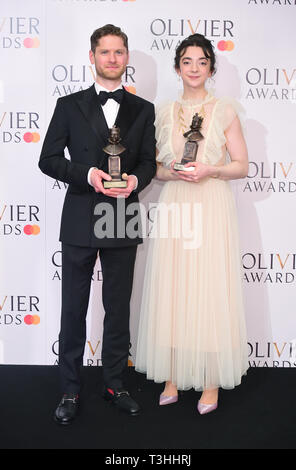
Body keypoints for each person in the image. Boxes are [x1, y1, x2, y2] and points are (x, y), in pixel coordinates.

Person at [39, 24, 156, 424]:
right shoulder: (68, 105)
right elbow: (48, 159)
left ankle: (114, 383)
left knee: (117, 308)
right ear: (92, 57)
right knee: (72, 309)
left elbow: (146, 162)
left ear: (127, 57)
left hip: (122, 216)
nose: (112, 59)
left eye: (119, 52)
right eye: (104, 52)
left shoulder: (144, 109)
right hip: (80, 217)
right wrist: (87, 174)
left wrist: (137, 181)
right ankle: (69, 391)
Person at [135, 34, 249, 415]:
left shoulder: (225, 110)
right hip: (176, 203)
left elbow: (241, 165)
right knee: (175, 286)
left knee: (208, 286)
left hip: (211, 203)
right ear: (177, 67)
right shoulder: (163, 112)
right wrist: (174, 173)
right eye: (188, 61)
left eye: (202, 62)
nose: (195, 68)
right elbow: (154, 167)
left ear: (211, 68)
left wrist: (210, 168)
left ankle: (210, 380)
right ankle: (172, 374)